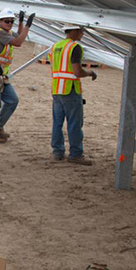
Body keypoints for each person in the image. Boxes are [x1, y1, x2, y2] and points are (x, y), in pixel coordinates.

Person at [50, 24, 97, 165]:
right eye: (81, 31)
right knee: (74, 123)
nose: (82, 34)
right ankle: (76, 154)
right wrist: (90, 73)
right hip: (70, 89)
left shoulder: (56, 46)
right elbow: (77, 72)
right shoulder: (74, 47)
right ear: (75, 31)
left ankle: (57, 152)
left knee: (57, 122)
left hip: (57, 88)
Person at [0, 9, 34, 143]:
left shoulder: (8, 32)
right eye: (6, 21)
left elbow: (18, 35)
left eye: (11, 21)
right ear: (0, 21)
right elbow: (18, 42)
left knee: (12, 100)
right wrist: (28, 26)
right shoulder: (0, 33)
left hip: (2, 76)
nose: (9, 24)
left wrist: (22, 22)